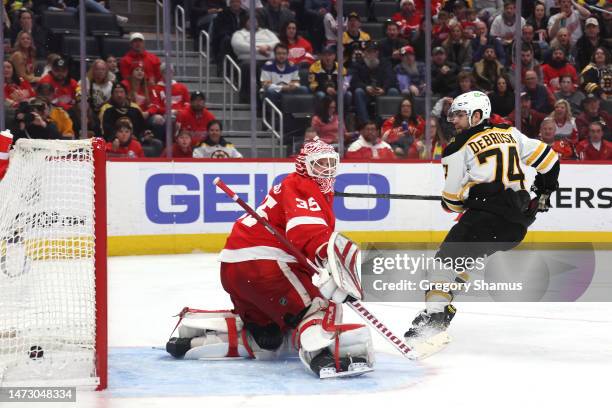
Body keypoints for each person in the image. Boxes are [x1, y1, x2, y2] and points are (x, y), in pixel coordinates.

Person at [167, 138, 374, 378]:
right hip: (265, 267)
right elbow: (306, 232)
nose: (326, 169)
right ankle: (321, 354)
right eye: (319, 164)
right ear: (304, 166)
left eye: (331, 163)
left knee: (270, 338)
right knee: (321, 305)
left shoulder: (295, 186)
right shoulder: (302, 186)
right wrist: (331, 266)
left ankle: (198, 334)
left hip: (235, 269)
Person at [404, 90, 559, 345]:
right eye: (452, 115)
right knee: (462, 263)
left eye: (460, 115)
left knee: (441, 266)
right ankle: (441, 309)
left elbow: (452, 202)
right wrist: (543, 192)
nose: (454, 120)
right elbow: (550, 160)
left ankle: (434, 319)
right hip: (516, 226)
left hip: (485, 219)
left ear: (477, 115)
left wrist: (459, 199)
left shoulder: (456, 147)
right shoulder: (510, 133)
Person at [350, 42, 399, 124]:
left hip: (381, 91)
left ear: (377, 53)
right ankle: (365, 123)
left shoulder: (385, 63)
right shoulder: (358, 64)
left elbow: (391, 78)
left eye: (374, 52)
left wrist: (384, 88)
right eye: (369, 52)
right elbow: (354, 81)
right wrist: (365, 87)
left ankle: (390, 123)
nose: (372, 54)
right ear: (364, 53)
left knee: (393, 91)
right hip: (366, 93)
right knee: (358, 91)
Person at [260, 43, 308, 108]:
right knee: (270, 91)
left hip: (288, 90)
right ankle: (273, 116)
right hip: (273, 91)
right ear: (275, 54)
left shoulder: (292, 65)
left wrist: (294, 85)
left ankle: (298, 115)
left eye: (284, 53)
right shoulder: (268, 65)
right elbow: (265, 85)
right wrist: (282, 88)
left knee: (304, 89)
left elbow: (296, 82)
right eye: (279, 53)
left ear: (287, 55)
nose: (281, 56)